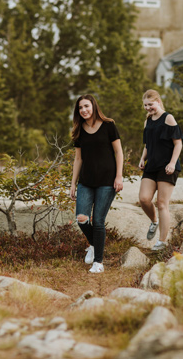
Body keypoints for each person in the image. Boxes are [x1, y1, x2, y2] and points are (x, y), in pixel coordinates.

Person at [70, 94, 124, 273]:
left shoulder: (109, 125)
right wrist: (73, 184)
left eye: (86, 106)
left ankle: (98, 263)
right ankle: (94, 244)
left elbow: (119, 153)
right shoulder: (78, 130)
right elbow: (78, 159)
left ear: (93, 106)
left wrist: (119, 176)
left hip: (107, 182)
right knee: (81, 218)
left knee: (98, 221)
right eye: (80, 108)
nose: (83, 110)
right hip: (86, 181)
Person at [138, 89, 182, 251]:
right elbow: (147, 145)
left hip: (167, 166)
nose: (148, 108)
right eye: (145, 105)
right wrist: (143, 158)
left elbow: (178, 143)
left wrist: (172, 162)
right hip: (152, 166)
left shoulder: (168, 118)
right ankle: (154, 221)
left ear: (158, 101)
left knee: (162, 203)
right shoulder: (147, 121)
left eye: (151, 104)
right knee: (144, 199)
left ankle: (162, 241)